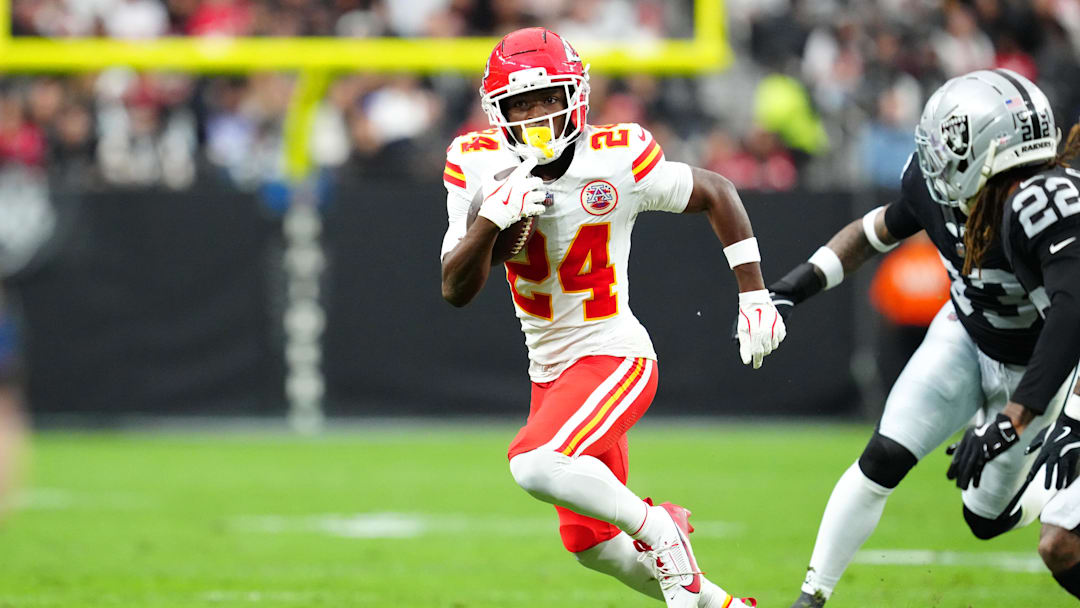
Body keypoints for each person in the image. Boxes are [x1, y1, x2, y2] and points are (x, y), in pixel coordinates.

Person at [439, 27, 785, 608]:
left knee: (533, 461)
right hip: (550, 373)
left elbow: (717, 190)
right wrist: (491, 221)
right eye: (521, 104)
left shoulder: (617, 155)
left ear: (576, 96)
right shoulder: (474, 165)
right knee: (593, 546)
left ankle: (659, 530)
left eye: (550, 98)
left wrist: (754, 293)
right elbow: (455, 288)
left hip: (613, 353)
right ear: (496, 111)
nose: (538, 115)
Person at [763, 69, 1075, 608]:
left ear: (986, 146)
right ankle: (810, 599)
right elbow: (873, 231)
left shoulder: (1043, 206)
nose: (933, 155)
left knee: (984, 520)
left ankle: (1052, 471)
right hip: (965, 334)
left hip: (1045, 367)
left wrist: (1020, 419)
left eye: (948, 142)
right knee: (882, 457)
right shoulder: (941, 189)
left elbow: (1073, 326)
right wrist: (795, 285)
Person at [922, 70, 1080, 599]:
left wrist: (1016, 421)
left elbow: (1074, 312)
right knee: (1061, 543)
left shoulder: (1037, 201)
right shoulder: (1029, 202)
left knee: (1061, 541)